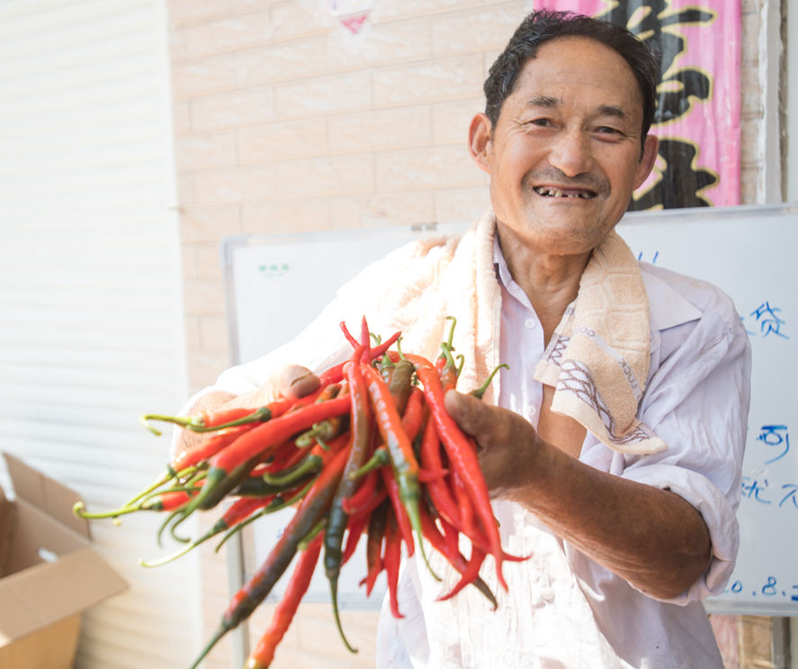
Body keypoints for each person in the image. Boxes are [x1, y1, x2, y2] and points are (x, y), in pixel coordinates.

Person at [178, 10, 751, 668]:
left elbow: (682, 559)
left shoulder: (694, 324)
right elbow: (201, 436)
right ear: (483, 141)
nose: (571, 158)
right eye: (542, 121)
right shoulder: (402, 294)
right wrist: (281, 417)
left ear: (644, 161)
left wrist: (536, 472)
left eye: (608, 130)